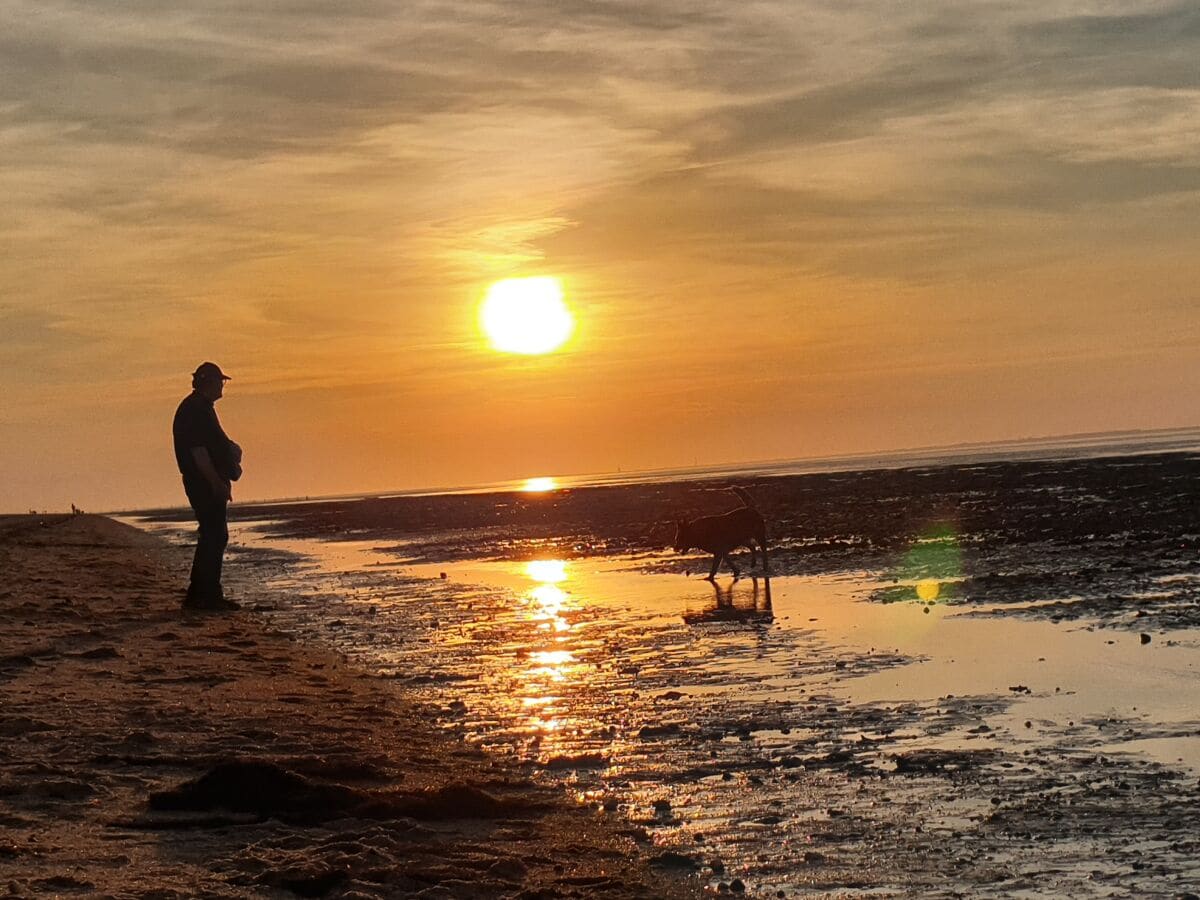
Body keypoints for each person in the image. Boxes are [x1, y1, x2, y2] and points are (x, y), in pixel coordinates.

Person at [173, 362, 242, 611]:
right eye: (220, 382)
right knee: (214, 534)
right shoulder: (196, 410)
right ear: (209, 382)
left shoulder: (200, 408)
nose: (222, 386)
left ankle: (201, 593)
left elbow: (212, 444)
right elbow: (198, 452)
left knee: (212, 534)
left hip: (207, 479)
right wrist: (215, 482)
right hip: (203, 482)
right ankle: (206, 595)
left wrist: (231, 451)